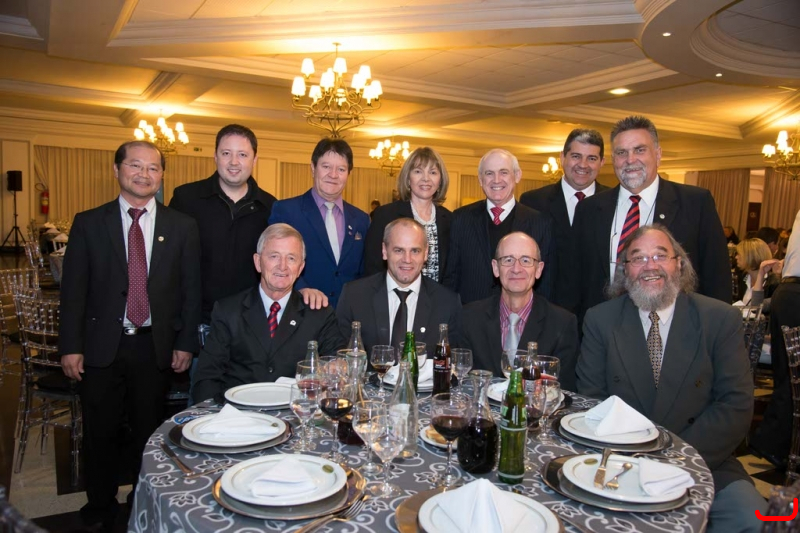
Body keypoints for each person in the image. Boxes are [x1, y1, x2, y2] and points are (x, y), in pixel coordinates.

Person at [577, 224, 765, 532]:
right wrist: (639, 461)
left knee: (752, 519)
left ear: (679, 263)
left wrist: (676, 459)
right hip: (623, 462)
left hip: (705, 461)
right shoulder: (601, 320)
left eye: (660, 255)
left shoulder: (719, 319)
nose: (650, 266)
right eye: (638, 258)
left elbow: (736, 404)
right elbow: (592, 401)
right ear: (625, 270)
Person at [59, 140, 201, 530]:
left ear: (162, 175)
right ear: (117, 170)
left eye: (153, 168)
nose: (144, 174)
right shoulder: (89, 223)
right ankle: (99, 506)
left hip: (154, 346)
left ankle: (143, 500)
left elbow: (191, 291)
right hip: (100, 347)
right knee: (100, 432)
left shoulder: (182, 226)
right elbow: (73, 291)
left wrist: (186, 343)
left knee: (148, 432)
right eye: (135, 165)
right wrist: (70, 346)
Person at [570, 115, 730, 319]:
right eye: (621, 152)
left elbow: (717, 277)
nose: (630, 160)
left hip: (676, 328)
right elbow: (573, 280)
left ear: (658, 154)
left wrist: (716, 329)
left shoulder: (695, 204)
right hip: (604, 328)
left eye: (639, 150)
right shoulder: (589, 209)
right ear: (613, 159)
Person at [192, 224, 344, 403]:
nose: (282, 266)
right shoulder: (228, 311)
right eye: (274, 256)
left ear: (300, 267)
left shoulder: (319, 313)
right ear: (258, 262)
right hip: (238, 412)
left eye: (291, 258)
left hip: (297, 411)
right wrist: (223, 415)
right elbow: (207, 378)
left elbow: (338, 363)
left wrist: (337, 368)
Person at [461, 232, 579, 390]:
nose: (516, 269)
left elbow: (565, 390)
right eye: (508, 260)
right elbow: (462, 384)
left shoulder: (562, 323)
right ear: (496, 268)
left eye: (526, 260)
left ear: (538, 269)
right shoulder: (469, 318)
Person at [442, 148, 554, 304]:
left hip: (520, 315)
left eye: (503, 172)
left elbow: (545, 282)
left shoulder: (540, 223)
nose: (496, 180)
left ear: (517, 176)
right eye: (489, 173)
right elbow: (451, 276)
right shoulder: (461, 218)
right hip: (470, 314)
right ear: (480, 179)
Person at [336, 218, 462, 355]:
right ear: (384, 251)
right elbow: (340, 356)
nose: (407, 259)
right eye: (398, 250)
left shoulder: (447, 303)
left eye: (415, 251)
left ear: (426, 253)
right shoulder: (354, 296)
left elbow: (451, 361)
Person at [268, 138, 369, 307]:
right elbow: (274, 260)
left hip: (347, 313)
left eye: (341, 169)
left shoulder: (361, 219)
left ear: (348, 174)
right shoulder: (286, 211)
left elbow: (364, 270)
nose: (333, 175)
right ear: (313, 168)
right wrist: (301, 288)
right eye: (326, 166)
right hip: (301, 309)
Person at [520, 128, 609, 309]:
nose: (583, 165)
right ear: (562, 158)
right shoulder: (533, 202)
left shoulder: (613, 202)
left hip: (600, 310)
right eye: (576, 156)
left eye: (592, 158)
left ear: (602, 162)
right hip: (547, 309)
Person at [750, 209, 800, 470]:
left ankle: (774, 443)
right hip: (795, 293)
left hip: (789, 292)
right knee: (793, 378)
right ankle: (775, 443)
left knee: (789, 377)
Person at [363, 147, 452, 282]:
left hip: (438, 295)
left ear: (440, 181)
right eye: (418, 171)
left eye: (433, 172)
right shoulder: (385, 215)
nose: (426, 179)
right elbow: (372, 266)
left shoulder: (450, 220)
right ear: (408, 178)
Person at [734, 238, 773, 305]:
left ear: (751, 256)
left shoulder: (773, 284)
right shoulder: (741, 277)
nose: (736, 257)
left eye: (739, 254)